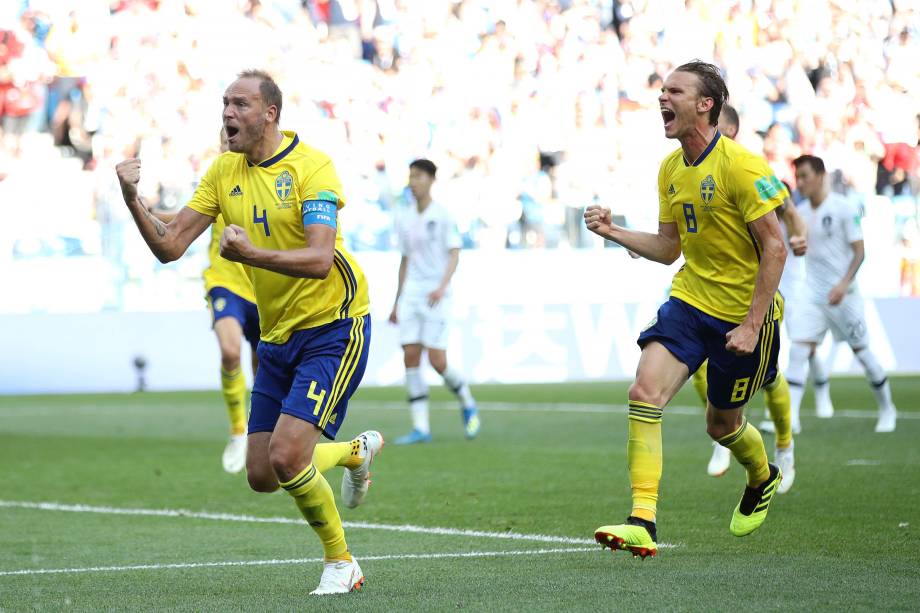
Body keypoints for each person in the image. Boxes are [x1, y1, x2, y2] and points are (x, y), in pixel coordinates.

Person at [116, 69, 383, 595]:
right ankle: (353, 451)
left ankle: (341, 563)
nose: (228, 113)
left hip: (335, 325)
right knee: (262, 474)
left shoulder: (313, 167)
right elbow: (170, 246)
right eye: (225, 104)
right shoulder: (223, 172)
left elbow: (320, 259)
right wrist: (131, 199)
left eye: (240, 104)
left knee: (287, 456)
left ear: (270, 113)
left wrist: (250, 254)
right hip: (280, 334)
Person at [585, 61, 787, 558]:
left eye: (674, 90)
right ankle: (642, 521)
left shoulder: (743, 166)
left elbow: (776, 248)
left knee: (721, 426)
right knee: (643, 392)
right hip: (690, 303)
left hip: (743, 319)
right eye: (661, 89)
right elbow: (669, 247)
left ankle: (762, 476)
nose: (662, 97)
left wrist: (751, 323)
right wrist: (613, 232)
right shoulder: (670, 169)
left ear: (705, 104)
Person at [700, 104, 810, 492]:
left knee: (767, 376)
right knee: (697, 367)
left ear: (726, 131)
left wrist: (798, 235)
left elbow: (788, 210)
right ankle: (725, 433)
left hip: (752, 291)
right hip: (707, 290)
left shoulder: (750, 167)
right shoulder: (693, 168)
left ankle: (784, 447)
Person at [151, 128, 260, 474]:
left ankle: (258, 428)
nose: (228, 141)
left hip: (263, 284)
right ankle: (238, 430)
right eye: (224, 137)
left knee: (264, 367)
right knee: (230, 352)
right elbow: (185, 219)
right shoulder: (218, 177)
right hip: (224, 282)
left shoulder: (266, 176)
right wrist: (144, 211)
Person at [787, 154, 898, 433]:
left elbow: (860, 253)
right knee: (798, 350)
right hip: (813, 294)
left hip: (844, 295)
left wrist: (843, 283)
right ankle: (790, 419)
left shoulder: (844, 208)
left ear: (821, 175)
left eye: (805, 176)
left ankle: (887, 408)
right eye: (797, 177)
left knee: (863, 353)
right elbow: (800, 248)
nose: (800, 183)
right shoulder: (801, 214)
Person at [388, 159, 480, 445]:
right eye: (411, 176)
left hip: (436, 295)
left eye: (418, 176)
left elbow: (454, 253)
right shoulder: (403, 216)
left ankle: (467, 400)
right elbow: (404, 260)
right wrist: (396, 302)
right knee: (410, 356)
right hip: (413, 295)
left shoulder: (443, 215)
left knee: (438, 361)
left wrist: (442, 286)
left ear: (430, 179)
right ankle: (421, 428)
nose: (413, 181)